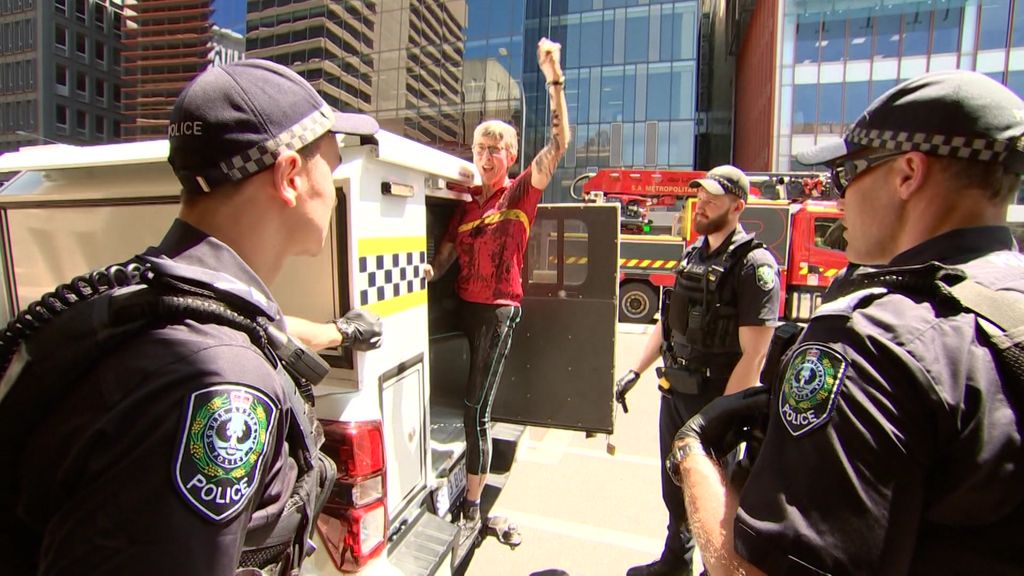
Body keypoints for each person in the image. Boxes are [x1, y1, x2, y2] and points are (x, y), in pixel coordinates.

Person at [0, 59, 383, 575]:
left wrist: (340, 331)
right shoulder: (221, 383)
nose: (332, 191)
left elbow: (266, 329)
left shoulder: (155, 299)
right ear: (290, 175)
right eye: (330, 168)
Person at [670, 70, 1024, 575]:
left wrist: (694, 454)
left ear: (908, 173)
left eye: (847, 174)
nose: (838, 198)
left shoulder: (872, 341)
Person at [424, 37, 571, 536]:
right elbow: (445, 253)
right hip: (462, 307)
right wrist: (425, 274)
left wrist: (554, 81)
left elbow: (558, 146)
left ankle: (472, 503)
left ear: (511, 155)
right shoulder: (466, 205)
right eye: (481, 147)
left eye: (497, 148)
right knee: (452, 396)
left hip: (498, 310)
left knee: (475, 408)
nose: (488, 155)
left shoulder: (521, 190)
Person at [615, 165, 780, 576]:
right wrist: (635, 371)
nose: (700, 203)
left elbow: (755, 354)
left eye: (712, 197)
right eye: (699, 195)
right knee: (675, 489)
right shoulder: (694, 254)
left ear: (737, 206)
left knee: (712, 497)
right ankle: (675, 562)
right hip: (677, 390)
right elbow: (667, 323)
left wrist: (720, 419)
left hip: (714, 402)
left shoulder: (753, 265)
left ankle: (715, 570)